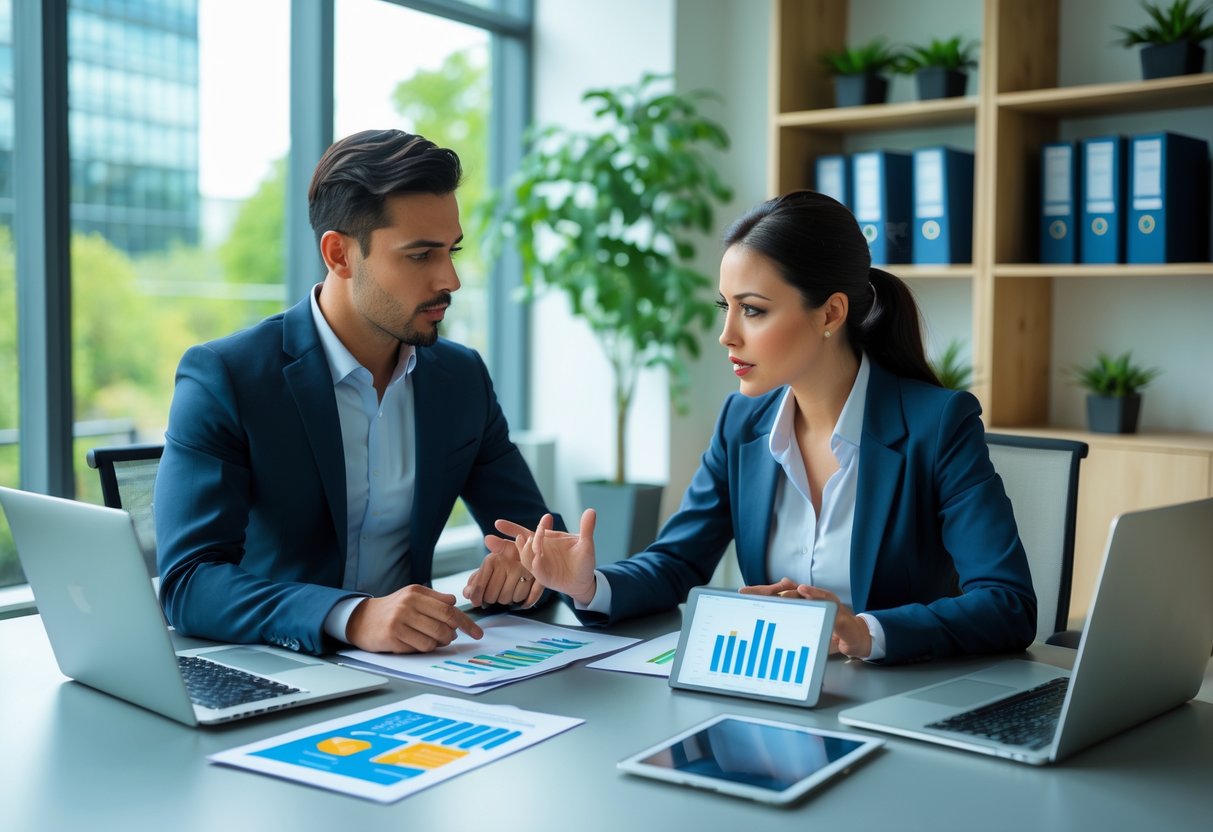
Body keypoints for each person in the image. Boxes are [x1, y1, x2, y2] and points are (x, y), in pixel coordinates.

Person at [490, 190, 1037, 665]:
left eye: (752, 310)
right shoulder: (742, 422)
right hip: (777, 692)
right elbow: (677, 561)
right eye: (724, 307)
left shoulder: (937, 423)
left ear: (830, 314)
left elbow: (1006, 603)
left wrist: (861, 632)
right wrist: (588, 584)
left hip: (894, 700)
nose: (727, 335)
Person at [155, 129, 555, 657]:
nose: (451, 279)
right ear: (339, 254)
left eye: (452, 251)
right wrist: (353, 616)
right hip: (277, 662)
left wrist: (524, 568)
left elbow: (539, 535)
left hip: (416, 670)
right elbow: (188, 583)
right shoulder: (227, 377)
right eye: (420, 256)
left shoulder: (460, 378)